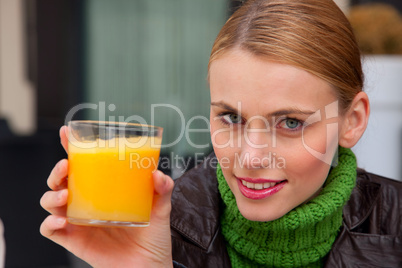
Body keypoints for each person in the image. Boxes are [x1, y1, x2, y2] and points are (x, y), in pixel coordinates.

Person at [40, 0, 402, 267]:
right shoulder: (160, 232)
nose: (251, 157)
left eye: (290, 123)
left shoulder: (395, 224)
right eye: (230, 117)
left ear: (352, 120)